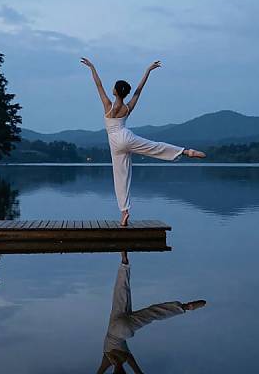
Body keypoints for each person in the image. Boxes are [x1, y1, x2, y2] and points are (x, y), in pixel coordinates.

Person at [81, 58, 206, 226]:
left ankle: (124, 211)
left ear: (115, 92)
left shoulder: (107, 106)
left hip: (114, 143)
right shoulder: (127, 108)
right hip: (126, 136)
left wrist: (92, 68)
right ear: (124, 93)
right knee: (153, 147)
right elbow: (138, 91)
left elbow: (99, 85)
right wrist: (147, 71)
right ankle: (185, 151)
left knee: (120, 177)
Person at [96, 252, 206, 374]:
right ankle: (124, 263)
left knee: (152, 313)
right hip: (114, 327)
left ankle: (184, 307)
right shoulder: (107, 358)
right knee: (121, 292)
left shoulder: (126, 357)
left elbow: (138, 372)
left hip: (124, 329)